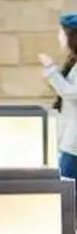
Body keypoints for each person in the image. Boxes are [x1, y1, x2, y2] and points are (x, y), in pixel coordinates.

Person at [40, 13, 77, 179]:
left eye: (61, 33)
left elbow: (71, 92)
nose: (59, 37)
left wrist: (51, 70)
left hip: (74, 145)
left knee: (66, 189)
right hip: (69, 142)